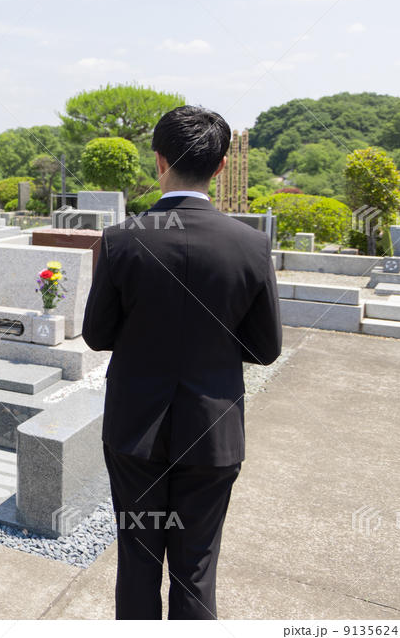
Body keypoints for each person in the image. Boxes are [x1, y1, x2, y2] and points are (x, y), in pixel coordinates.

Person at [82, 105, 283, 619]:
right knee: (196, 568)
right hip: (212, 431)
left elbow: (97, 335)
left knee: (138, 562)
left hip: (135, 429)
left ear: (159, 160)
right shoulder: (252, 245)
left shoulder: (122, 238)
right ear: (220, 166)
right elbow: (266, 348)